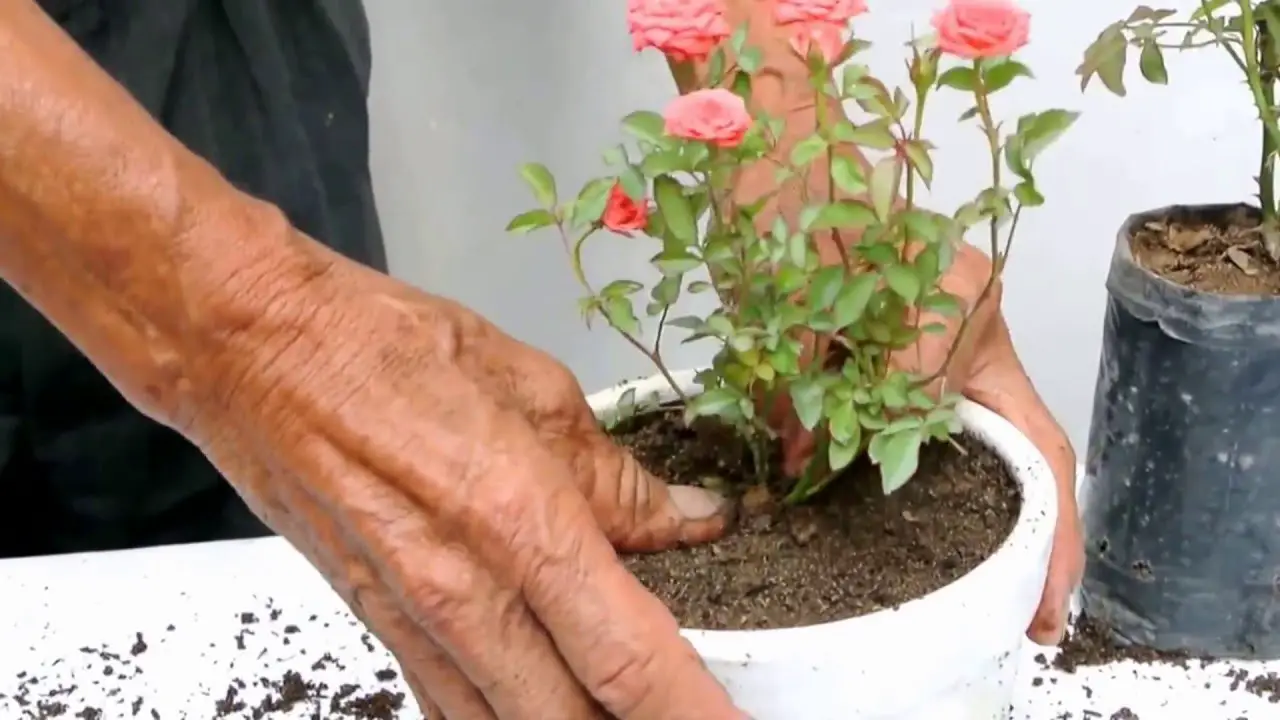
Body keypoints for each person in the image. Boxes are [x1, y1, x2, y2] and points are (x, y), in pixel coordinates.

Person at [0, 1, 1081, 718]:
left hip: (198, 61)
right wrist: (250, 328)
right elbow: (256, 341)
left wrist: (791, 144)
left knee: (268, 579)